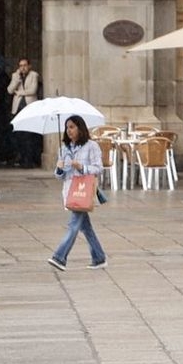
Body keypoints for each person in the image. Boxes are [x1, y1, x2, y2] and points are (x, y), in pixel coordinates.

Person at [47, 115, 107, 271]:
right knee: (85, 227)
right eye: (67, 128)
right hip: (70, 191)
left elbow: (98, 168)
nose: (69, 131)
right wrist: (59, 168)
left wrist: (81, 167)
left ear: (80, 128)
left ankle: (60, 257)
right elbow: (60, 175)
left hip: (83, 191)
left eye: (72, 127)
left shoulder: (91, 146)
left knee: (73, 225)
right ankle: (99, 257)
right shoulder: (64, 149)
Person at [7, 58, 42, 167]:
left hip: (30, 108)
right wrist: (17, 79)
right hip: (18, 109)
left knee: (29, 136)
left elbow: (33, 90)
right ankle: (22, 158)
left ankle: (29, 159)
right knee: (19, 135)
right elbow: (10, 90)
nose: (23, 67)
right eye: (21, 65)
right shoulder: (15, 76)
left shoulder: (34, 75)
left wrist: (20, 93)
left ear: (29, 66)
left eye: (25, 65)